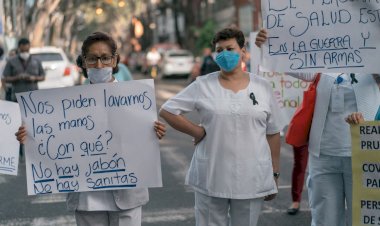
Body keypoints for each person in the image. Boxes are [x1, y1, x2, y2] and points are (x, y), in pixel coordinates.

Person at [16, 32, 166, 226]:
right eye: (92, 59)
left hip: (127, 194)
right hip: (86, 197)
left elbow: (144, 141)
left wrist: (155, 132)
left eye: (105, 58)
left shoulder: (137, 100)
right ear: (83, 63)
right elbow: (53, 138)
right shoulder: (66, 104)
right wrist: (30, 136)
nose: (99, 65)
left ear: (114, 60)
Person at [159, 27, 282, 226]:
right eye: (220, 50)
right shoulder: (203, 85)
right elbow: (167, 110)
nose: (225, 54)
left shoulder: (262, 87)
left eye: (230, 48)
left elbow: (273, 132)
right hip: (211, 175)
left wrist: (275, 174)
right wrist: (196, 131)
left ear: (243, 50)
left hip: (251, 178)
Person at [256, 29, 380, 226]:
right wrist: (269, 45)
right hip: (323, 156)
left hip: (362, 154)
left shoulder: (373, 57)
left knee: (364, 220)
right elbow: (291, 64)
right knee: (324, 219)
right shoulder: (323, 62)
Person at [2, 38, 45, 102]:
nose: (25, 52)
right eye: (23, 50)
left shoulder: (36, 61)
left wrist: (34, 78)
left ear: (29, 48)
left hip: (33, 97)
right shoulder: (11, 61)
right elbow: (5, 78)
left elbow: (43, 77)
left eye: (26, 50)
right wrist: (17, 77)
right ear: (19, 48)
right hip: (16, 97)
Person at [287, 144, 308, 215]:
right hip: (302, 135)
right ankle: (296, 200)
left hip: (324, 137)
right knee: (300, 165)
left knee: (322, 169)